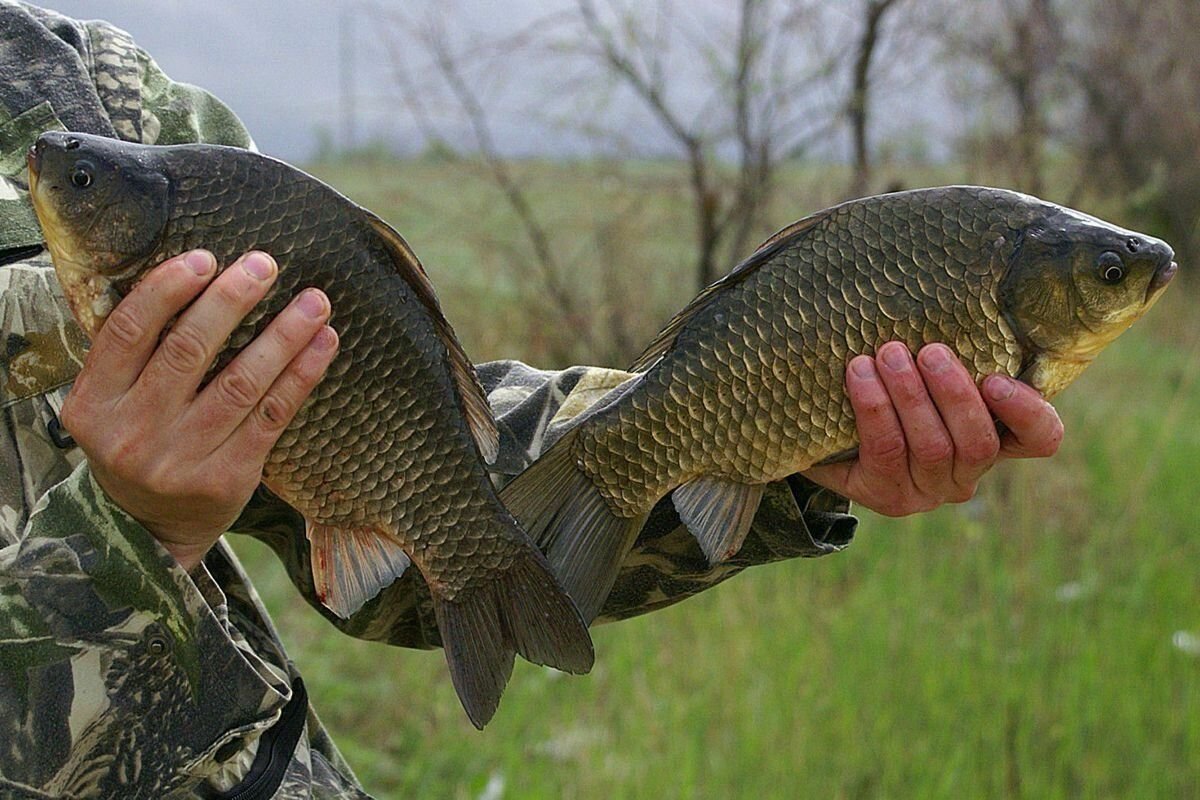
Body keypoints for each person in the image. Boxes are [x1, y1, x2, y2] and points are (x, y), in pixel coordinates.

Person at [0, 3, 1064, 797]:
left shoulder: (74, 89)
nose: (66, 171)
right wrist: (123, 537)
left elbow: (391, 437)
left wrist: (778, 436)